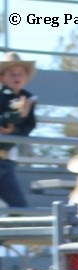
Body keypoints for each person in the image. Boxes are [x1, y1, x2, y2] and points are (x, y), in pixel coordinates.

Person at [0, 52, 37, 208]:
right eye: (11, 74)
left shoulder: (28, 98)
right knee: (20, 207)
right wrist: (16, 116)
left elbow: (28, 126)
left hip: (6, 161)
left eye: (20, 73)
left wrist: (13, 130)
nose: (16, 77)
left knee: (20, 208)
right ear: (2, 77)